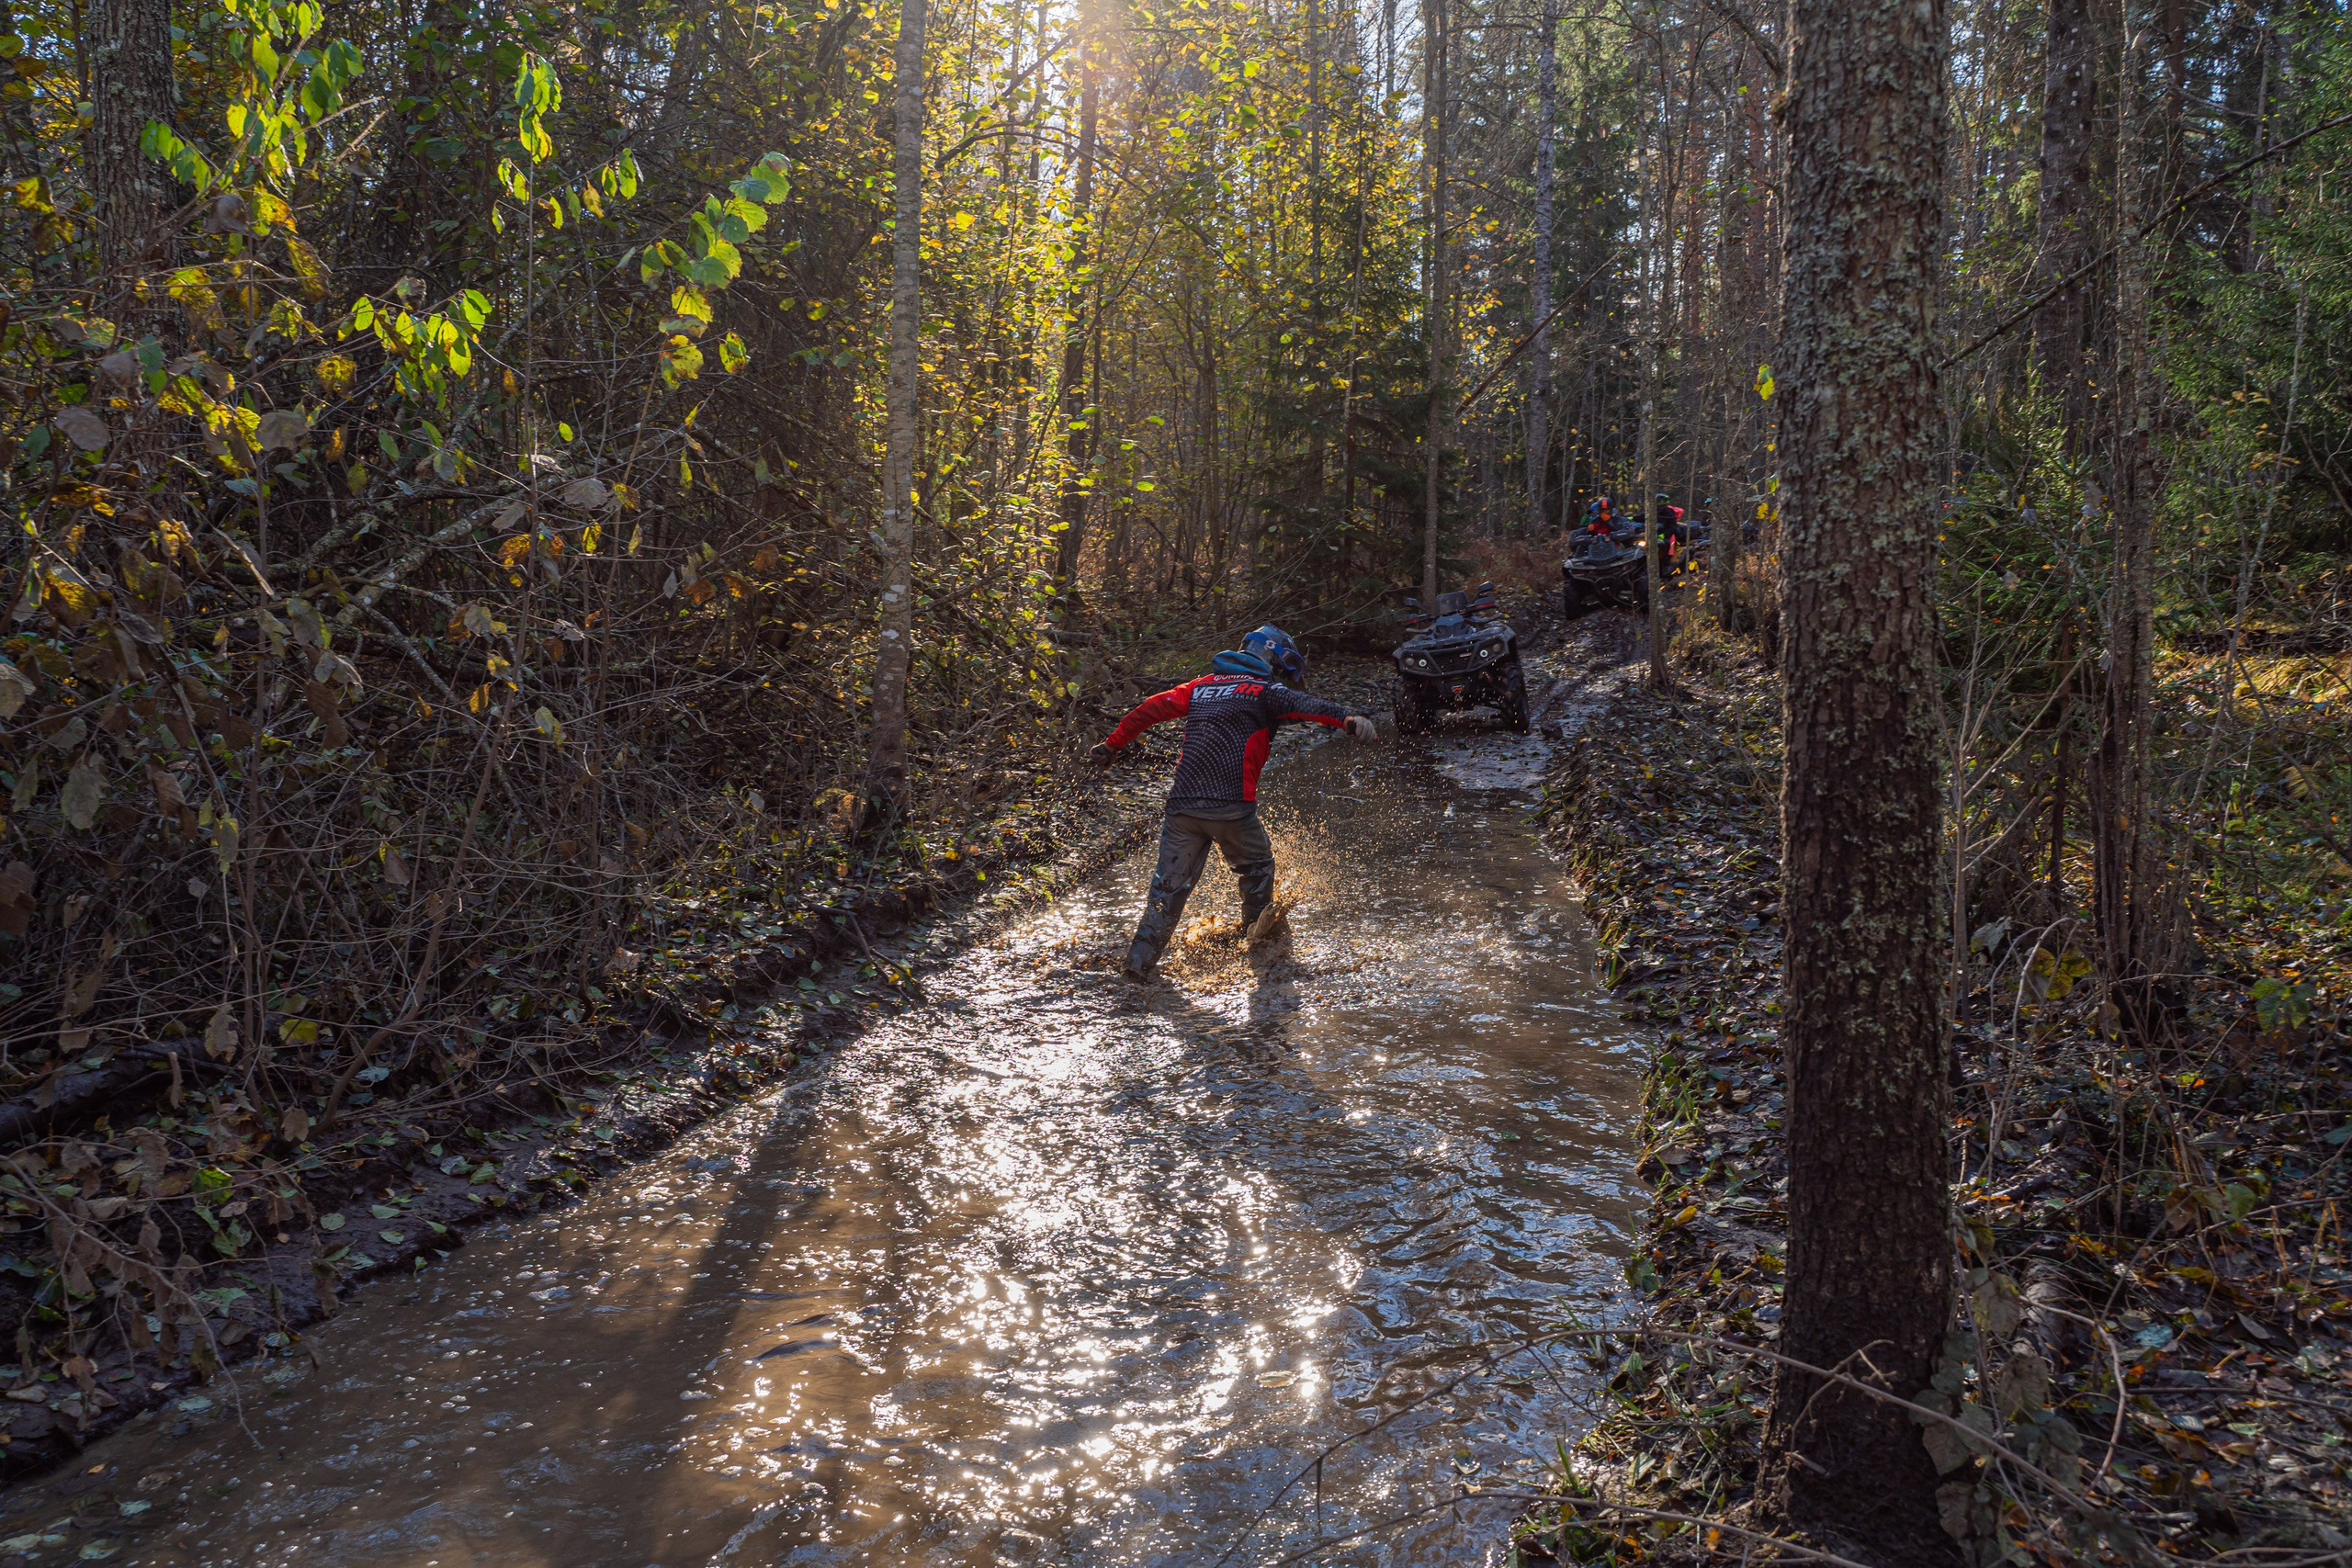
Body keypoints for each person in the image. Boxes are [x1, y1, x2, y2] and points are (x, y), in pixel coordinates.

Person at [1089, 625, 1377, 980]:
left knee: (1166, 891)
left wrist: (1113, 744)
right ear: (1274, 660)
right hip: (1231, 808)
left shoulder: (1200, 687)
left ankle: (1136, 969)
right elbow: (1308, 705)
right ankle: (1262, 953)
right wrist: (1349, 720)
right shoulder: (1265, 692)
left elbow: (1149, 709)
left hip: (1182, 809)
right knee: (1257, 869)